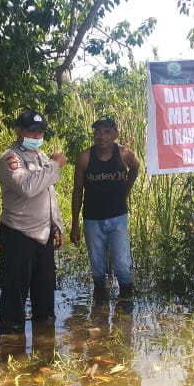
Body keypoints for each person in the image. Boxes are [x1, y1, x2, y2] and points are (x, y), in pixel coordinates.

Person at [0, 109, 66, 333]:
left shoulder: (41, 157)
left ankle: (44, 346)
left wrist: (57, 225)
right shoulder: (10, 158)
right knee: (14, 295)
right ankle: (10, 343)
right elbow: (27, 187)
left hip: (43, 236)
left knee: (44, 297)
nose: (36, 137)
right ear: (18, 131)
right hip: (18, 234)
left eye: (40, 133)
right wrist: (55, 166)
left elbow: (49, 196)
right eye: (31, 132)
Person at [70, 117, 140, 297]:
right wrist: (75, 224)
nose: (102, 136)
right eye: (98, 132)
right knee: (98, 269)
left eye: (107, 132)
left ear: (115, 134)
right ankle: (100, 308)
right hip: (92, 218)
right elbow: (77, 191)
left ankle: (125, 309)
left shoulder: (124, 154)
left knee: (123, 265)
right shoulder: (85, 157)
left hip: (118, 217)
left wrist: (126, 190)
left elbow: (135, 167)